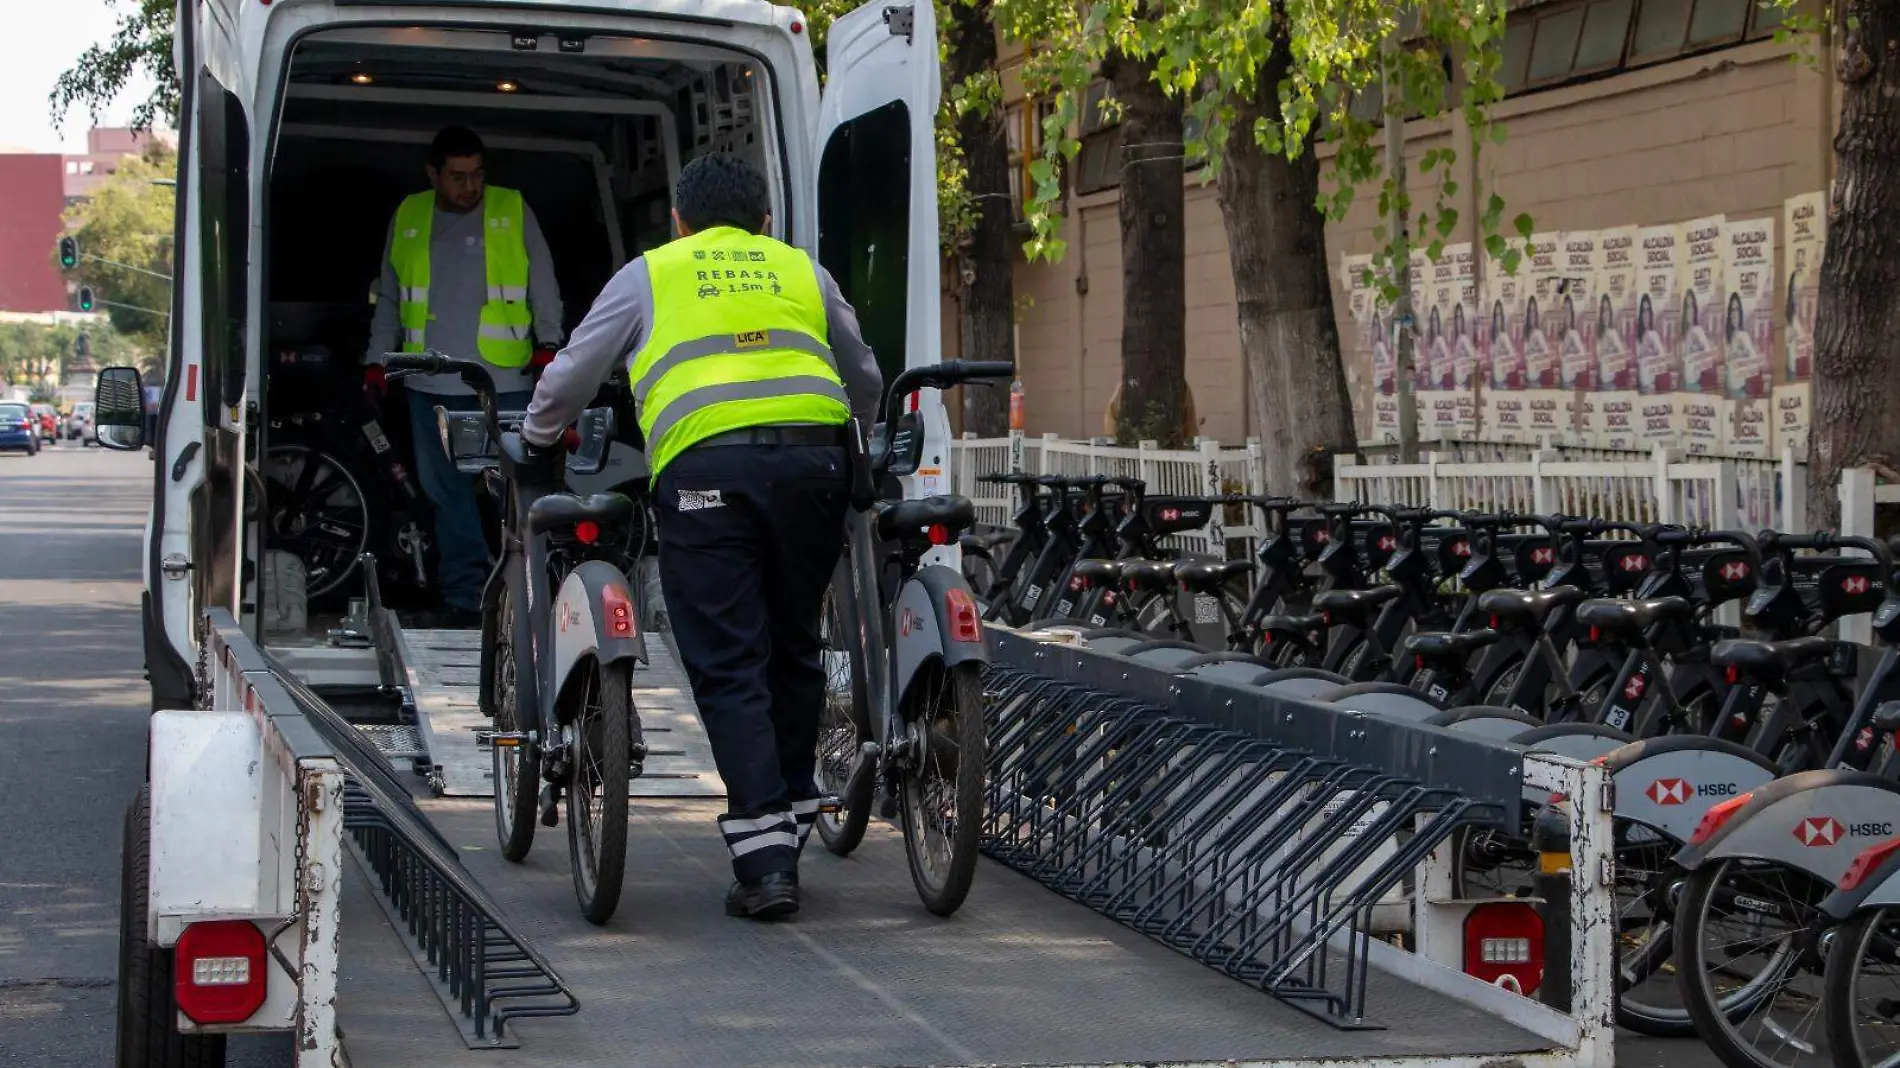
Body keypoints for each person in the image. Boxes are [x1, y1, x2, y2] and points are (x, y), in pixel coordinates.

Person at [521, 153, 882, 920]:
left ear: (679, 220)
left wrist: (536, 434)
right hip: (816, 463)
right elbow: (864, 376)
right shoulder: (801, 271)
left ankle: (766, 860)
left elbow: (572, 374)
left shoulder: (654, 273)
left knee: (728, 656)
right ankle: (787, 812)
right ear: (766, 223)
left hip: (706, 471)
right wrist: (858, 441)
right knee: (792, 643)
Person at [365, 125, 564, 628]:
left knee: (512, 491)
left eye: (476, 175)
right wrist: (377, 359)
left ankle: (523, 593)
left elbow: (543, 282)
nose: (468, 187)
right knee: (446, 494)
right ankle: (466, 596)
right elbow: (390, 294)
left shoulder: (512, 209)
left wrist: (549, 345)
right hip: (427, 382)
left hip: (503, 381)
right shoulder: (409, 214)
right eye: (457, 177)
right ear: (433, 173)